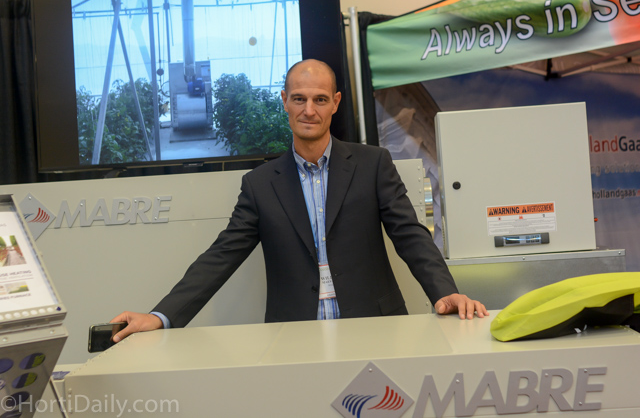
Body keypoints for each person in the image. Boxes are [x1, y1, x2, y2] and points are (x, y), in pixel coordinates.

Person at [111, 59, 487, 342]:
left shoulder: (373, 164)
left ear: (335, 103)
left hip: (376, 328)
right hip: (291, 337)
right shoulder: (260, 185)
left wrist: (446, 293)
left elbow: (410, 235)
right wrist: (160, 316)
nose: (309, 110)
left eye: (320, 99)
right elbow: (221, 256)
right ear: (285, 102)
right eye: (299, 99)